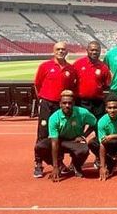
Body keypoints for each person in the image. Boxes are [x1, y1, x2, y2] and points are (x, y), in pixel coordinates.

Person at [33, 42, 78, 178]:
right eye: (58, 49)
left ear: (67, 52)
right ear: (54, 51)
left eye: (63, 49)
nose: (61, 51)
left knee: (60, 134)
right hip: (47, 103)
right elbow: (37, 84)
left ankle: (58, 162)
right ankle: (38, 163)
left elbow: (72, 88)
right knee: (42, 134)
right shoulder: (45, 66)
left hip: (62, 106)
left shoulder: (71, 69)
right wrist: (42, 99)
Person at [34, 90, 96, 181]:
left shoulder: (83, 113)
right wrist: (55, 167)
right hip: (59, 140)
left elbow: (94, 123)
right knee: (40, 147)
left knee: (84, 150)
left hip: (75, 140)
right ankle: (60, 165)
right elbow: (54, 142)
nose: (67, 105)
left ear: (73, 103)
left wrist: (83, 136)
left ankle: (76, 166)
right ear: (60, 104)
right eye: (64, 103)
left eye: (70, 103)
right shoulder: (54, 118)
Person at [74, 41, 112, 120]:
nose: (94, 52)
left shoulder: (104, 67)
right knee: (80, 125)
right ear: (87, 50)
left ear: (100, 51)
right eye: (92, 50)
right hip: (81, 102)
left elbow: (106, 86)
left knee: (97, 125)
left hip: (97, 102)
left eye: (97, 50)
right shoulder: (78, 64)